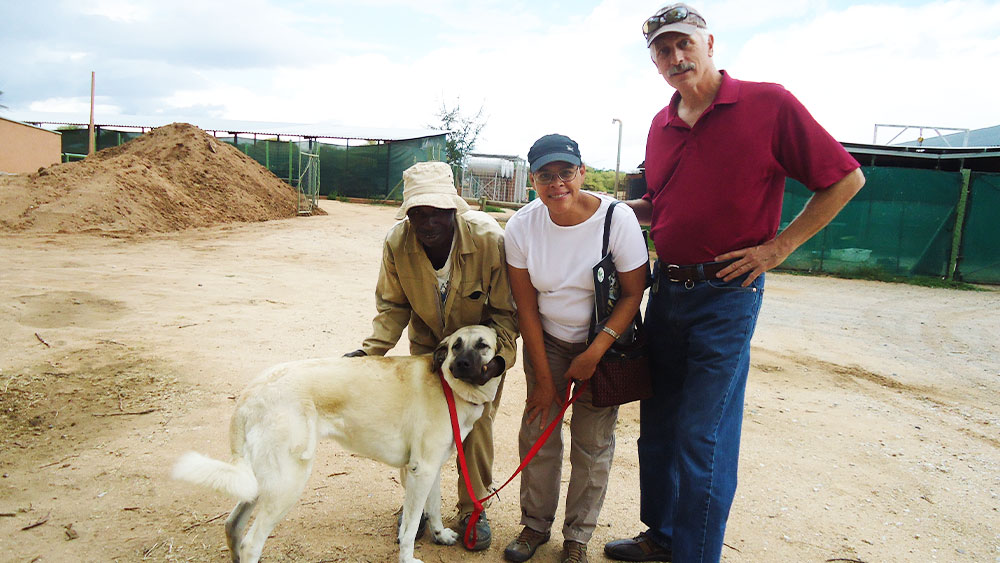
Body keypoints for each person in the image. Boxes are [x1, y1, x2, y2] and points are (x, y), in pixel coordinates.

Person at [603, 4, 866, 563]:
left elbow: (846, 178)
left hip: (727, 295)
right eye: (662, 50)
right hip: (666, 290)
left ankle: (695, 555)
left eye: (684, 45)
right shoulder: (661, 123)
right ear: (653, 61)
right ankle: (664, 536)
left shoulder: (768, 103)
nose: (675, 57)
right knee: (661, 424)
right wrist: (601, 212)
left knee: (703, 434)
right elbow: (661, 205)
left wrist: (780, 247)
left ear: (710, 43)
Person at [344, 160, 518, 551]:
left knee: (474, 428)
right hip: (430, 348)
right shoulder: (397, 243)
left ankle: (473, 508)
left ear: (453, 209)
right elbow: (392, 307)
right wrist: (369, 353)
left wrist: (498, 362)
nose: (428, 223)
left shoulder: (489, 239)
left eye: (437, 212)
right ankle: (419, 508)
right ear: (408, 214)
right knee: (420, 429)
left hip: (480, 351)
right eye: (418, 213)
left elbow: (507, 313)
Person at [502, 134, 649, 563]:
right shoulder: (521, 226)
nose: (557, 183)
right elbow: (526, 307)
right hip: (546, 338)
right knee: (537, 431)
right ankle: (534, 527)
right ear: (533, 181)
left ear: (581, 173)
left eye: (566, 172)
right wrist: (544, 381)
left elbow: (631, 295)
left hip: (602, 343)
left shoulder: (615, 220)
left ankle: (577, 537)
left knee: (593, 441)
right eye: (546, 175)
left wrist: (595, 351)